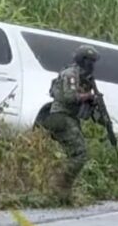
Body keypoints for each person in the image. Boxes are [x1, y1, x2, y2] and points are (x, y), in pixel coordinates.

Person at [36, 45, 101, 204]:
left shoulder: (84, 76)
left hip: (69, 118)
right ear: (82, 60)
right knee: (80, 154)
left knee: (74, 154)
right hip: (61, 117)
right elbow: (69, 97)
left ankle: (61, 191)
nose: (92, 65)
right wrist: (88, 97)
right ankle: (59, 188)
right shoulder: (71, 75)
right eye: (89, 61)